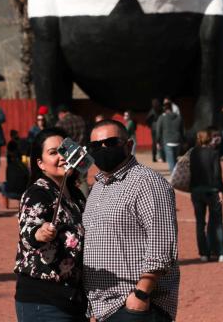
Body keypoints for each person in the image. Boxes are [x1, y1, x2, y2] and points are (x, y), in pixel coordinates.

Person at [83, 120, 179, 321]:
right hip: (104, 306)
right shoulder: (98, 186)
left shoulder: (147, 182)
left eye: (111, 143)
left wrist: (140, 294)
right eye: (95, 146)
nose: (103, 149)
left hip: (136, 306)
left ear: (128, 145)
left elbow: (161, 243)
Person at [14, 127, 87, 322]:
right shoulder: (38, 193)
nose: (62, 157)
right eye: (53, 153)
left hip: (74, 300)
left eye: (65, 151)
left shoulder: (76, 196)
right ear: (41, 163)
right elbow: (29, 229)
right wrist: (40, 233)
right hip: (44, 303)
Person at [190, 129, 223, 262]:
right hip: (212, 190)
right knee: (217, 221)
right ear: (209, 138)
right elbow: (217, 174)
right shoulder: (214, 153)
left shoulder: (193, 153)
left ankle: (204, 254)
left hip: (196, 191)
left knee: (200, 223)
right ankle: (221, 252)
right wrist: (221, 190)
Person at [154, 101, 183, 172]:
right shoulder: (179, 117)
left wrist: (157, 141)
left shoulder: (162, 118)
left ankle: (174, 179)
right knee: (175, 160)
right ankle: (177, 176)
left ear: (164, 108)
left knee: (171, 162)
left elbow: (158, 131)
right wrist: (184, 140)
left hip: (168, 142)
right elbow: (182, 130)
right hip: (177, 141)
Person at [1, 138, 30, 209]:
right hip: (24, 193)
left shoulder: (9, 165)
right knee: (24, 182)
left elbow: (8, 178)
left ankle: (6, 207)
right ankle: (21, 206)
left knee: (3, 184)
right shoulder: (24, 164)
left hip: (10, 192)